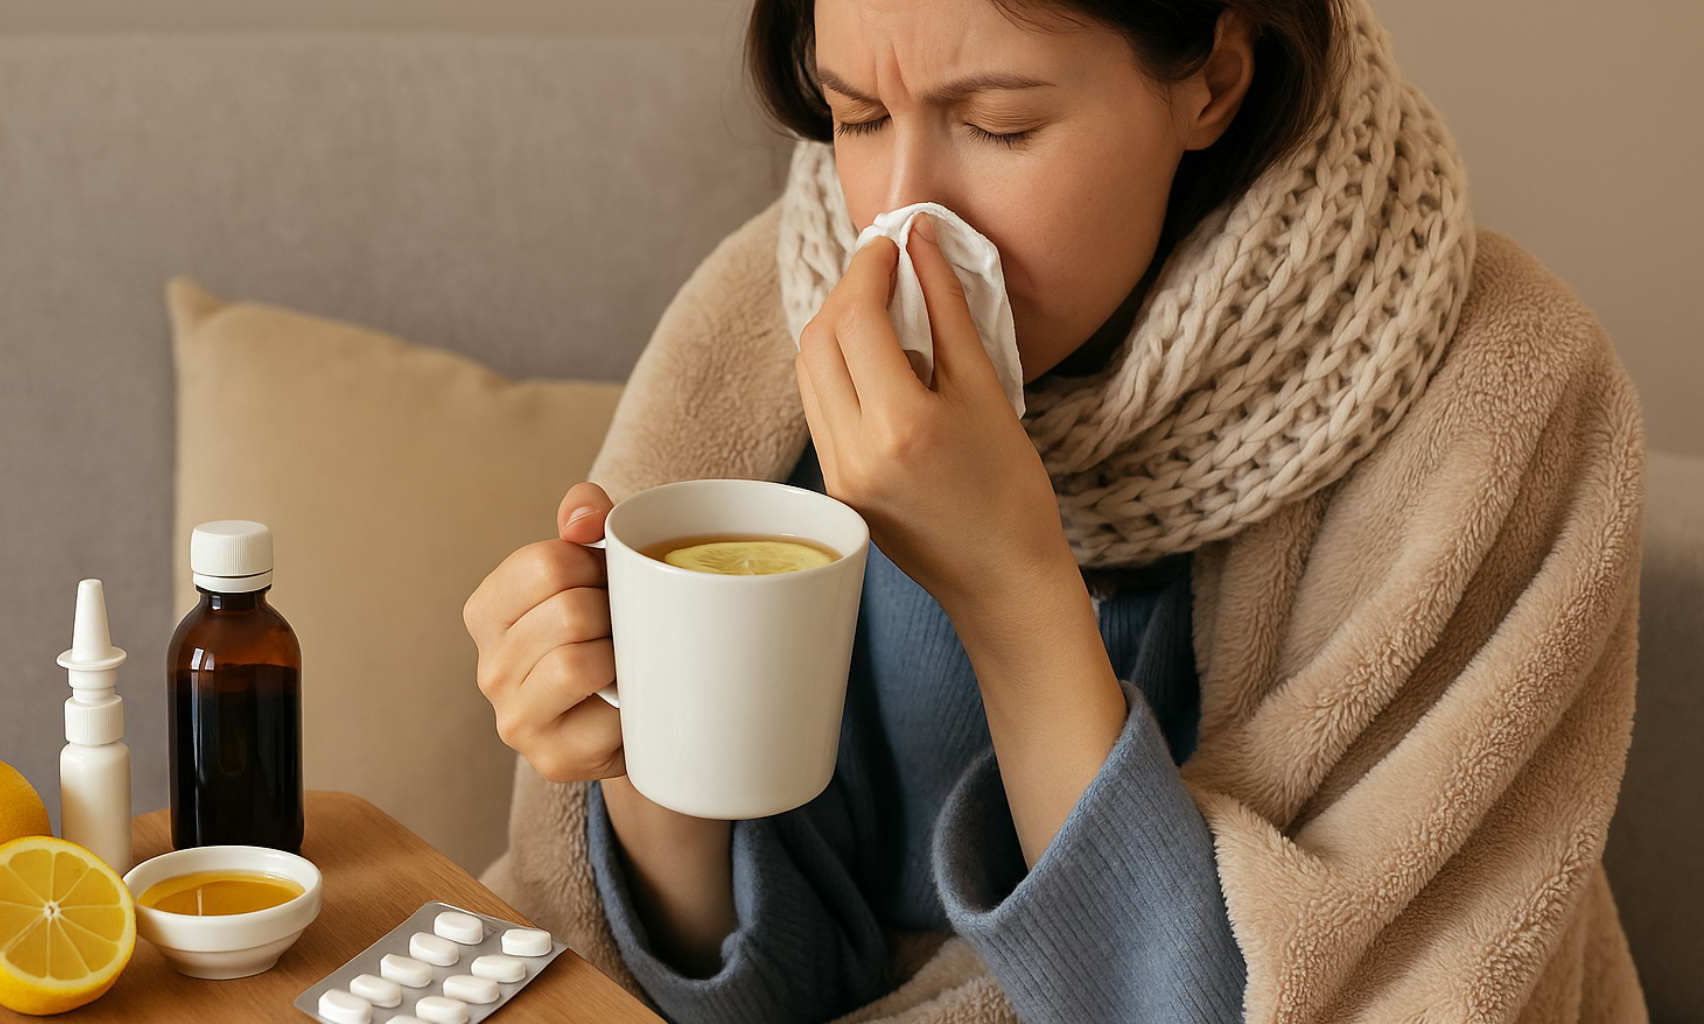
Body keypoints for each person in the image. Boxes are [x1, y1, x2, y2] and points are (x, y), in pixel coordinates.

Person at [467, 0, 1649, 1020]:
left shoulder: (1497, 395)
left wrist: (1010, 587)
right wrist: (645, 758)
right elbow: (752, 996)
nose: (901, 216)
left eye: (998, 126)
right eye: (857, 118)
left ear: (1214, 79)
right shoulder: (768, 323)